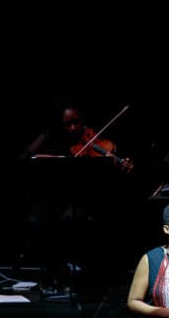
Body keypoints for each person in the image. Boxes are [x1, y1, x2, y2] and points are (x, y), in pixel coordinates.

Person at [19, 102, 134, 293]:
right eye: (67, 124)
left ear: (83, 120)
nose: (73, 128)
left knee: (71, 218)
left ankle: (82, 272)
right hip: (56, 198)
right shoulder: (52, 139)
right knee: (41, 218)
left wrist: (118, 164)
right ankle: (55, 271)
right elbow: (24, 158)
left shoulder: (92, 140)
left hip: (85, 199)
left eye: (76, 122)